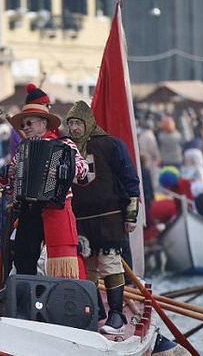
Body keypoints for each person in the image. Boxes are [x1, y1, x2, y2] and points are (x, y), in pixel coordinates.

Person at [65, 100, 140, 335]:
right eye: (71, 123)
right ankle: (94, 311)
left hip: (109, 218)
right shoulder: (65, 148)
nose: (75, 128)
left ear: (88, 123)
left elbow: (129, 179)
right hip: (79, 220)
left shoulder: (110, 145)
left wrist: (131, 215)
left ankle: (116, 314)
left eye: (78, 123)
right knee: (86, 269)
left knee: (109, 264)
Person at [1, 103, 88, 279]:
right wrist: (7, 175)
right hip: (29, 210)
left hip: (55, 209)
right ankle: (28, 300)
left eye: (29, 123)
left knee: (59, 263)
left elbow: (83, 168)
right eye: (23, 125)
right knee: (24, 260)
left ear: (43, 123)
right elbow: (12, 189)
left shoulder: (64, 144)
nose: (25, 128)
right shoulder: (22, 150)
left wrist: (65, 170)